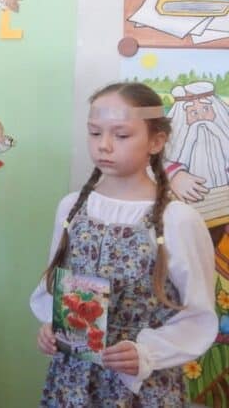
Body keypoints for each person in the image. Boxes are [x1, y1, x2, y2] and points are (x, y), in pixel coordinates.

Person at [31, 82, 217, 406]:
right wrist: (54, 325)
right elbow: (56, 285)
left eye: (121, 135)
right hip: (73, 380)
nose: (103, 145)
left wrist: (147, 352)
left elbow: (198, 315)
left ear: (156, 141)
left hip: (141, 386)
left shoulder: (177, 220)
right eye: (94, 132)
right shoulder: (73, 207)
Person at [166, 81, 229, 202]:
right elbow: (161, 165)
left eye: (206, 109)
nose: (201, 118)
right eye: (193, 113)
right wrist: (175, 175)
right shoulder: (172, 147)